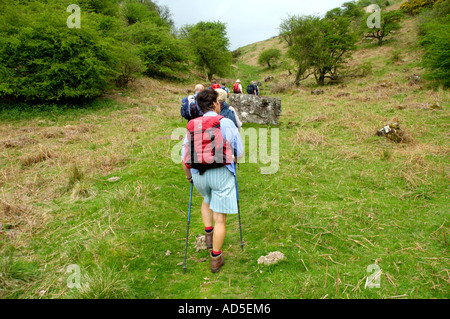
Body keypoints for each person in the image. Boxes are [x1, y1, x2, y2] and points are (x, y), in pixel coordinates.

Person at [181, 89, 243, 273]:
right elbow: (238, 151)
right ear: (215, 103)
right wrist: (234, 161)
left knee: (206, 199)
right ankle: (216, 258)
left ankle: (208, 236)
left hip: (198, 174)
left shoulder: (192, 125)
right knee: (220, 219)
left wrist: (189, 177)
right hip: (221, 173)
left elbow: (184, 157)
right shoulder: (225, 123)